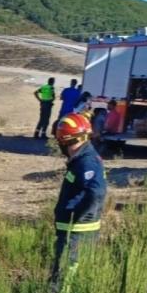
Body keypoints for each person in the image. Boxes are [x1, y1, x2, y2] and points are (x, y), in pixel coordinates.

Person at [51, 114, 107, 283]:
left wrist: (78, 215)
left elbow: (97, 192)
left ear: (64, 141)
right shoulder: (82, 159)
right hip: (76, 232)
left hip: (77, 233)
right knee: (68, 277)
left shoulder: (86, 162)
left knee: (63, 281)